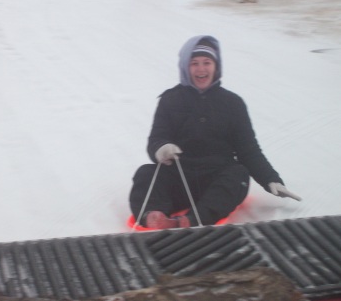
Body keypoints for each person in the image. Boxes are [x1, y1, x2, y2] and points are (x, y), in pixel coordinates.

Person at [129, 35, 301, 229]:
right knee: (145, 173)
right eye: (194, 63)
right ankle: (154, 216)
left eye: (207, 62)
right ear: (186, 66)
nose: (201, 69)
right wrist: (161, 148)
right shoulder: (170, 100)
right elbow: (156, 139)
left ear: (216, 66)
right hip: (179, 178)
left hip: (216, 180)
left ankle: (189, 221)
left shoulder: (233, 103)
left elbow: (248, 150)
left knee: (238, 175)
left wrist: (271, 179)